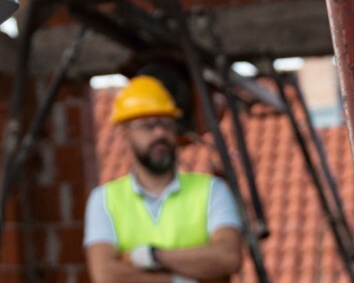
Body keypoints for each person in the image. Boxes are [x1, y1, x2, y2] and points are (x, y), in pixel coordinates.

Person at [84, 76, 244, 283]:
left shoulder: (212, 190)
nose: (160, 133)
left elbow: (227, 258)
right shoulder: (104, 199)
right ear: (125, 134)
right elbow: (106, 275)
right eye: (147, 125)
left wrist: (149, 256)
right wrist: (182, 279)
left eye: (167, 124)